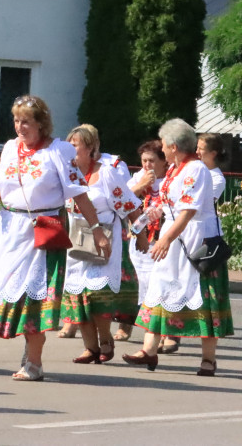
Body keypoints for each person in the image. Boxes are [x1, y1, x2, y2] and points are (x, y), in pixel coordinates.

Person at [0, 95, 108, 381]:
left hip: (43, 231)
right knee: (11, 292)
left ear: (41, 124)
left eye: (26, 122)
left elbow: (79, 193)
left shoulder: (58, 151)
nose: (19, 127)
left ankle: (33, 362)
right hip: (11, 231)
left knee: (35, 297)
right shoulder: (11, 148)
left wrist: (97, 230)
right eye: (16, 121)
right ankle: (28, 353)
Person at [123, 119, 234, 376]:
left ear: (173, 146)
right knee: (159, 289)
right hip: (175, 236)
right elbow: (164, 205)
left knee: (203, 298)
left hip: (196, 240)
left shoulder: (196, 169)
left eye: (163, 143)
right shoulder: (174, 169)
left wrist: (165, 239)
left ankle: (208, 360)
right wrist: (140, 223)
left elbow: (188, 211)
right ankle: (149, 352)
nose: (161, 148)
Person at [58, 125, 142, 365]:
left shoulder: (107, 173)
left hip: (103, 237)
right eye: (69, 145)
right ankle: (90, 347)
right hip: (75, 239)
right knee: (77, 294)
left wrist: (142, 234)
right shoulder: (68, 174)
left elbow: (129, 205)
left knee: (96, 294)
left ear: (91, 148)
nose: (71, 150)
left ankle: (105, 340)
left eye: (75, 145)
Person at [119, 140, 167, 346]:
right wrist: (142, 185)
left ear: (164, 162)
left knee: (161, 284)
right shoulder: (139, 177)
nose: (147, 165)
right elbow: (123, 200)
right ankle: (125, 325)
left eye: (152, 161)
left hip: (163, 238)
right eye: (144, 161)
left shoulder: (171, 178)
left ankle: (164, 332)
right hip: (140, 238)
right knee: (136, 281)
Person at [197, 133, 226, 202]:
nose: (196, 152)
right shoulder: (193, 168)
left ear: (213, 154)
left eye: (201, 149)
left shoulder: (217, 179)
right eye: (197, 147)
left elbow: (204, 204)